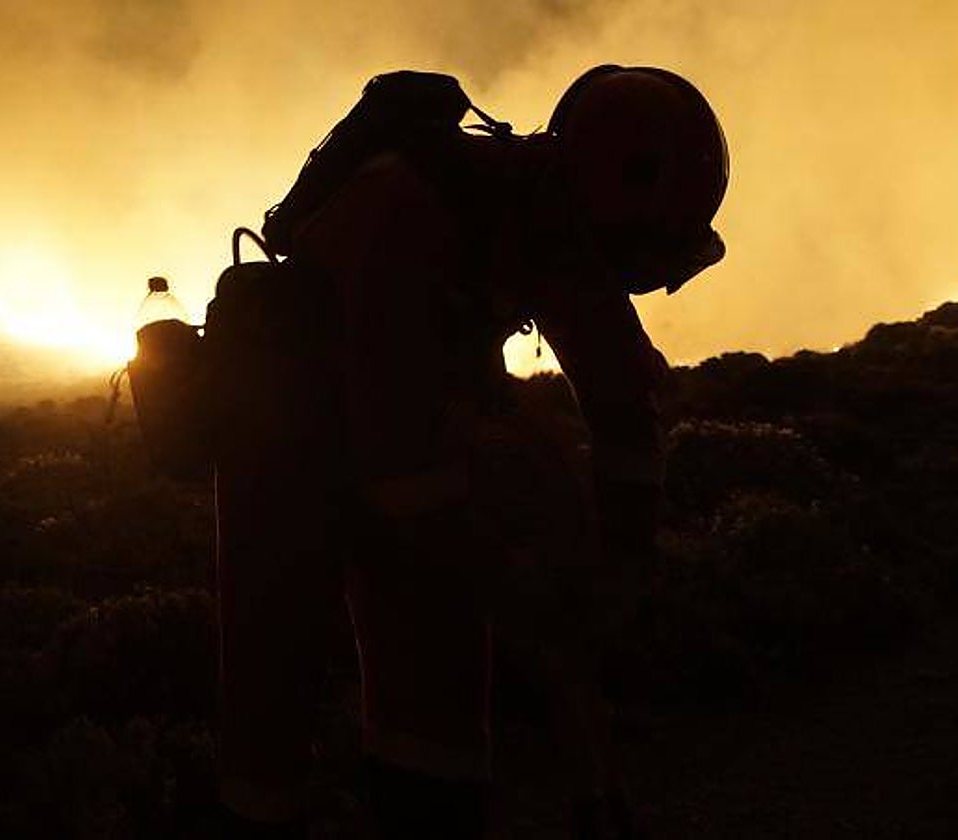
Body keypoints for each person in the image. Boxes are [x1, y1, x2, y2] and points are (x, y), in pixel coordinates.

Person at [211, 65, 729, 838]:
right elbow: (395, 452)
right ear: (610, 190)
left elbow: (621, 392)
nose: (623, 279)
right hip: (283, 454)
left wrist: (619, 563)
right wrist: (512, 580)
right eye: (634, 253)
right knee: (271, 704)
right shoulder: (403, 205)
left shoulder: (554, 222)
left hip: (410, 448)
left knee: (438, 718)